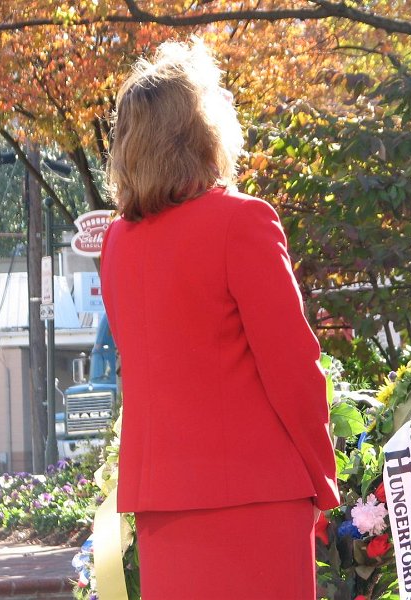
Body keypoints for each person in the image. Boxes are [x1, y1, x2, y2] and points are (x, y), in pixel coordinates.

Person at [100, 39, 340, 599]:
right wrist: (322, 474)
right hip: (258, 498)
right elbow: (294, 368)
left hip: (162, 504)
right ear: (206, 131)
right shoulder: (243, 222)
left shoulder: (116, 244)